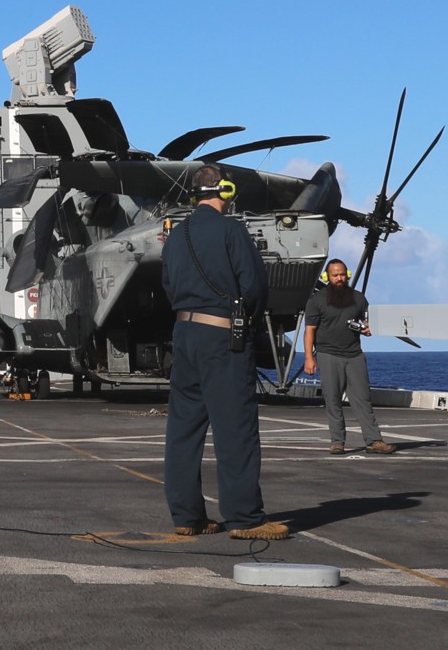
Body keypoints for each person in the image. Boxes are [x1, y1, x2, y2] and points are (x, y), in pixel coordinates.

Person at [161, 165, 288, 541]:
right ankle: (245, 518)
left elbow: (168, 285)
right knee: (235, 429)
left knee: (183, 429)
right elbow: (253, 287)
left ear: (193, 195)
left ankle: (187, 516)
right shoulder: (232, 230)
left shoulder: (176, 235)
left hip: (184, 333)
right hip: (223, 337)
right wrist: (243, 321)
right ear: (226, 192)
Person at [303, 260, 394, 455]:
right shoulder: (317, 300)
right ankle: (337, 442)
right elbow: (309, 330)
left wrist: (369, 328)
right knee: (333, 399)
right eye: (335, 275)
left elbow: (368, 322)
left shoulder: (358, 298)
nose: (339, 278)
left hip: (354, 355)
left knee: (363, 399)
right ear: (327, 277)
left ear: (348, 274)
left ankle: (374, 440)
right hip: (328, 355)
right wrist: (309, 358)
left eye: (342, 274)